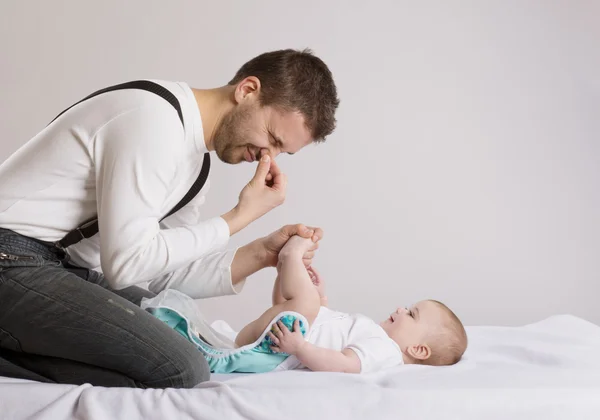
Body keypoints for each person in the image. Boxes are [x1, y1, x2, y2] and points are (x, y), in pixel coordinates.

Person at [0, 49, 339, 388]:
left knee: (186, 342)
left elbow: (164, 275)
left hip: (55, 266)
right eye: (272, 138)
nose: (268, 156)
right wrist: (239, 216)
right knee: (183, 367)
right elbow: (125, 265)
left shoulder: (194, 166)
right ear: (247, 90)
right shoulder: (153, 120)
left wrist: (261, 254)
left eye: (283, 152)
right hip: (11, 257)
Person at [235, 235, 468, 373]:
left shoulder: (386, 351)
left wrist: (300, 348)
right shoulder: (378, 338)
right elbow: (333, 333)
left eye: (411, 314)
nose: (401, 309)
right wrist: (322, 300)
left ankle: (291, 257)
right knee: (304, 302)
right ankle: (285, 266)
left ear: (417, 349)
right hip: (286, 335)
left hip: (279, 350)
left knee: (304, 302)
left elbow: (345, 364)